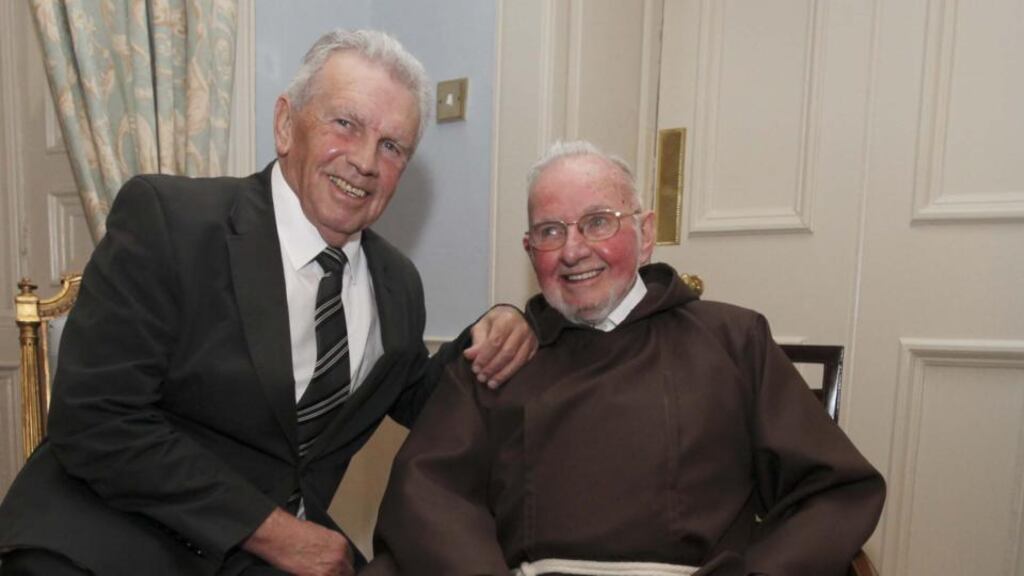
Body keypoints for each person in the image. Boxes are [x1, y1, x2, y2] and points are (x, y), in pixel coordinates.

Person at [0, 30, 536, 576]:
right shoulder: (170, 220)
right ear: (286, 124)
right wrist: (274, 532)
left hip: (266, 557)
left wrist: (503, 323)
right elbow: (96, 420)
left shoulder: (397, 283)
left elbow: (416, 396)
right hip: (108, 537)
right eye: (345, 124)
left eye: (392, 146)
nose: (366, 161)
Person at [365, 140, 886, 576]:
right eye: (550, 231)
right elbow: (426, 497)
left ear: (646, 234)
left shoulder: (734, 341)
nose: (573, 251)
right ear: (530, 251)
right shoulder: (501, 355)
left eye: (598, 222)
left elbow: (833, 493)